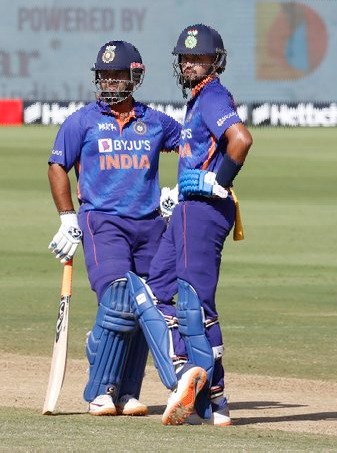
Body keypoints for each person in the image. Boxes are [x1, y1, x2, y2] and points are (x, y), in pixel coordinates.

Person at [47, 40, 201, 419]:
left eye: (117, 75)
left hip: (150, 225)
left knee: (150, 303)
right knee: (118, 300)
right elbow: (57, 166)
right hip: (103, 222)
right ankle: (101, 391)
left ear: (135, 76)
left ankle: (128, 391)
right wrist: (67, 217)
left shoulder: (156, 122)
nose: (110, 82)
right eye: (105, 75)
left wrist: (180, 189)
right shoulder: (82, 122)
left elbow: (193, 147)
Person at [125, 23, 253, 426]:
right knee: (157, 289)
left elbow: (241, 140)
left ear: (215, 61)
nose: (190, 64)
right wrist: (179, 191)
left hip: (204, 209)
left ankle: (216, 397)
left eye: (199, 58)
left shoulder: (212, 96)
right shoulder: (198, 99)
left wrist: (219, 181)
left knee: (196, 302)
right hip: (187, 206)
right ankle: (187, 374)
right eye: (185, 58)